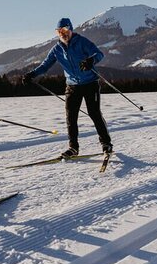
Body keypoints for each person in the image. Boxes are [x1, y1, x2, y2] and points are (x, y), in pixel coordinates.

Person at [23, 17, 113, 158]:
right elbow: (45, 65)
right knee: (71, 117)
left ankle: (106, 144)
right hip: (72, 86)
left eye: (65, 30)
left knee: (94, 113)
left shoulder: (82, 42)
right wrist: (31, 74)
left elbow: (99, 54)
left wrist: (91, 60)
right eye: (59, 31)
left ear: (70, 29)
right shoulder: (56, 49)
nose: (62, 34)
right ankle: (73, 148)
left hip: (90, 83)